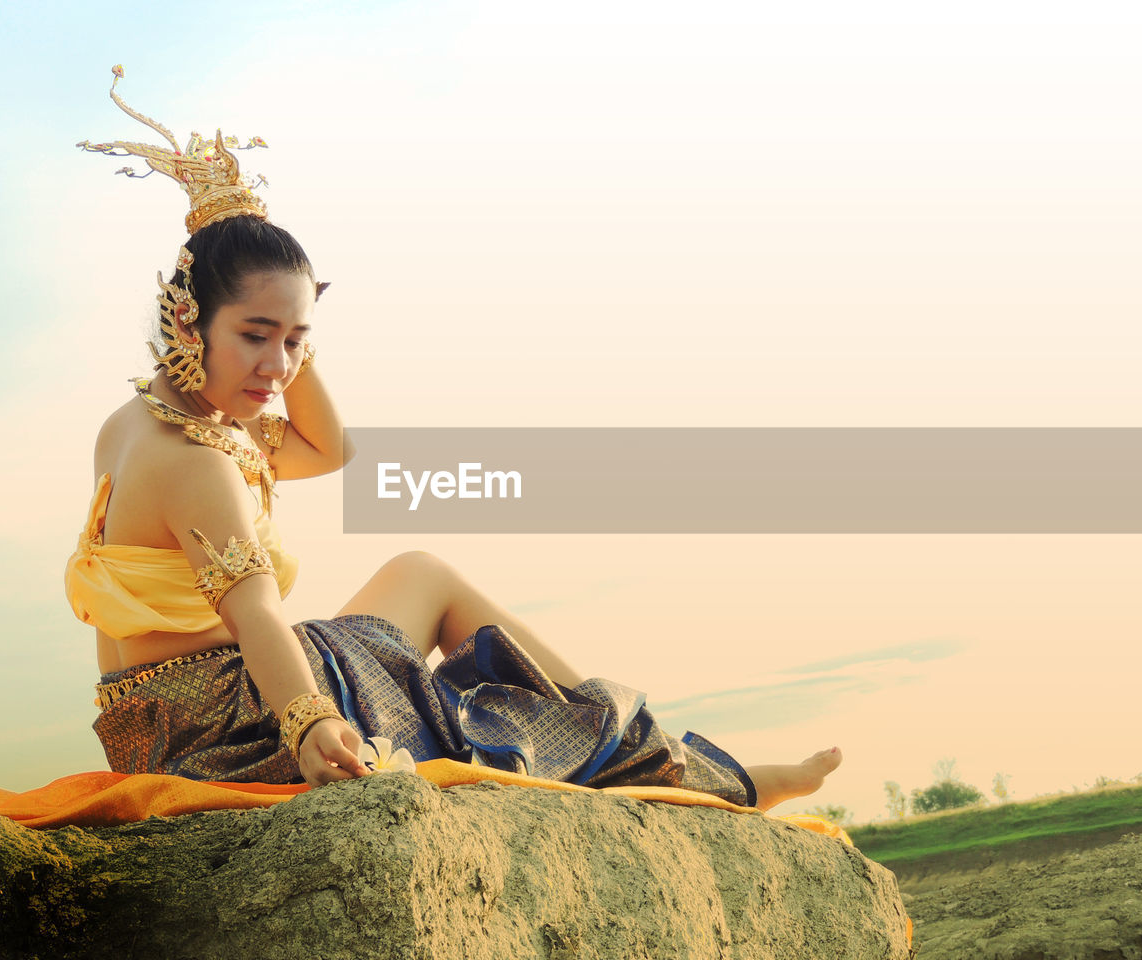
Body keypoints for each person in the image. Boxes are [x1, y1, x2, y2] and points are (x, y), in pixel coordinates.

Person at [67, 67, 842, 810]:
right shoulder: (196, 463)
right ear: (186, 319)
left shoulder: (151, 421)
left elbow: (330, 450)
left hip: (157, 719)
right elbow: (258, 617)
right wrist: (311, 729)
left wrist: (280, 332)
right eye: (254, 335)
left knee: (420, 569)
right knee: (427, 591)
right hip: (227, 725)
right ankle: (672, 765)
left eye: (297, 341)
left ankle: (656, 753)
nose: (278, 366)